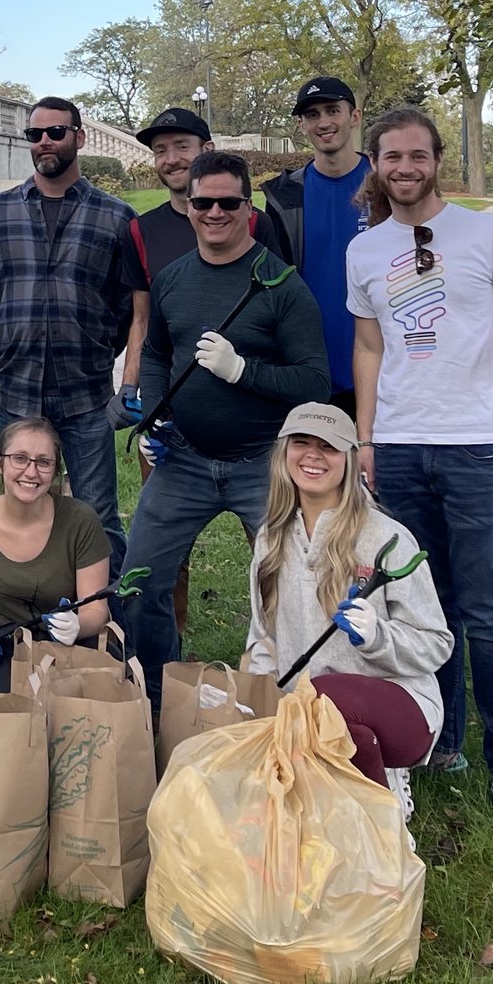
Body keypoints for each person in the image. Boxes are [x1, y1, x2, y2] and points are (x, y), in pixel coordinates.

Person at [346, 104, 493, 818]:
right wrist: (367, 438)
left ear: (437, 159)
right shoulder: (365, 250)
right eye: (391, 157)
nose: (405, 167)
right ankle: (443, 739)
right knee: (416, 604)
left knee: (487, 609)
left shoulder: (489, 234)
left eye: (417, 154)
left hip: (479, 444)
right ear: (375, 164)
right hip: (400, 448)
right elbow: (370, 348)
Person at [121, 151, 329, 705]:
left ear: (249, 209)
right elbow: (159, 350)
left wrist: (244, 371)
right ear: (188, 207)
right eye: (203, 201)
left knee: (294, 588)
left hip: (263, 464)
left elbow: (315, 382)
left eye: (228, 202)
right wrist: (156, 413)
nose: (214, 212)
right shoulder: (171, 280)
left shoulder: (281, 285)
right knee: (139, 583)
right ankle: (157, 698)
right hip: (184, 460)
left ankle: (290, 703)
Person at [241, 404, 452, 811]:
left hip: (400, 705)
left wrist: (378, 636)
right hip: (305, 710)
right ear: (284, 453)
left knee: (323, 695)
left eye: (329, 447)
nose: (313, 456)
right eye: (301, 443)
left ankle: (384, 815)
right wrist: (252, 702)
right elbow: (261, 638)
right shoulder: (270, 539)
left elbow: (437, 644)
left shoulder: (387, 539)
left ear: (351, 459)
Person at [0, 96, 146, 575]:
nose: (44, 142)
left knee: (98, 517)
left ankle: (107, 630)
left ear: (79, 138)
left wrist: (97, 347)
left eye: (55, 132)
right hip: (19, 390)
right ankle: (17, 617)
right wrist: (12, 336)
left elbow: (128, 305)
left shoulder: (116, 217)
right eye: (35, 134)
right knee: (14, 513)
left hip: (85, 395)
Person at [0, 414, 113, 694]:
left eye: (43, 462)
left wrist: (78, 625)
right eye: (20, 458)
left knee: (75, 719)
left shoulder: (80, 520)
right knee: (3, 724)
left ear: (55, 471)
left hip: (68, 644)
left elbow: (96, 609)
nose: (31, 472)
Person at [264, 77, 371, 414]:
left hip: (384, 368)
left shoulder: (388, 183)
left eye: (332, 110)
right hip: (310, 371)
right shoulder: (283, 197)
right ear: (301, 125)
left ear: (354, 116)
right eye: (312, 114)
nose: (323, 122)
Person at [129, 104, 269, 281]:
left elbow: (278, 293)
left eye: (182, 147)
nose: (171, 160)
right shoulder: (140, 231)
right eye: (161, 150)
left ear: (207, 149)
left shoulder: (251, 220)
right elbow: (141, 307)